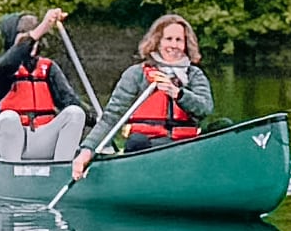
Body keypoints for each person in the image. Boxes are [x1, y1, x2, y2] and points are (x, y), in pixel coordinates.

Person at [70, 13, 213, 181]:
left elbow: (205, 108)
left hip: (186, 146)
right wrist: (87, 150)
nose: (174, 45)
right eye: (168, 39)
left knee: (223, 126)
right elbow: (111, 117)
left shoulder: (194, 74)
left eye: (179, 40)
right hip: (148, 147)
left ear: (186, 44)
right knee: (136, 141)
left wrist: (178, 93)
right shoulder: (136, 74)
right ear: (157, 42)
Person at [0, 7, 89, 163]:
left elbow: (70, 101)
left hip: (40, 139)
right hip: (5, 143)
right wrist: (42, 28)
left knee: (75, 113)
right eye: (24, 34)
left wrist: (103, 121)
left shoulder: (48, 68)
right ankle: (12, 173)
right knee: (9, 118)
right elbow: (11, 61)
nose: (32, 40)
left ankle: (61, 170)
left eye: (32, 34)